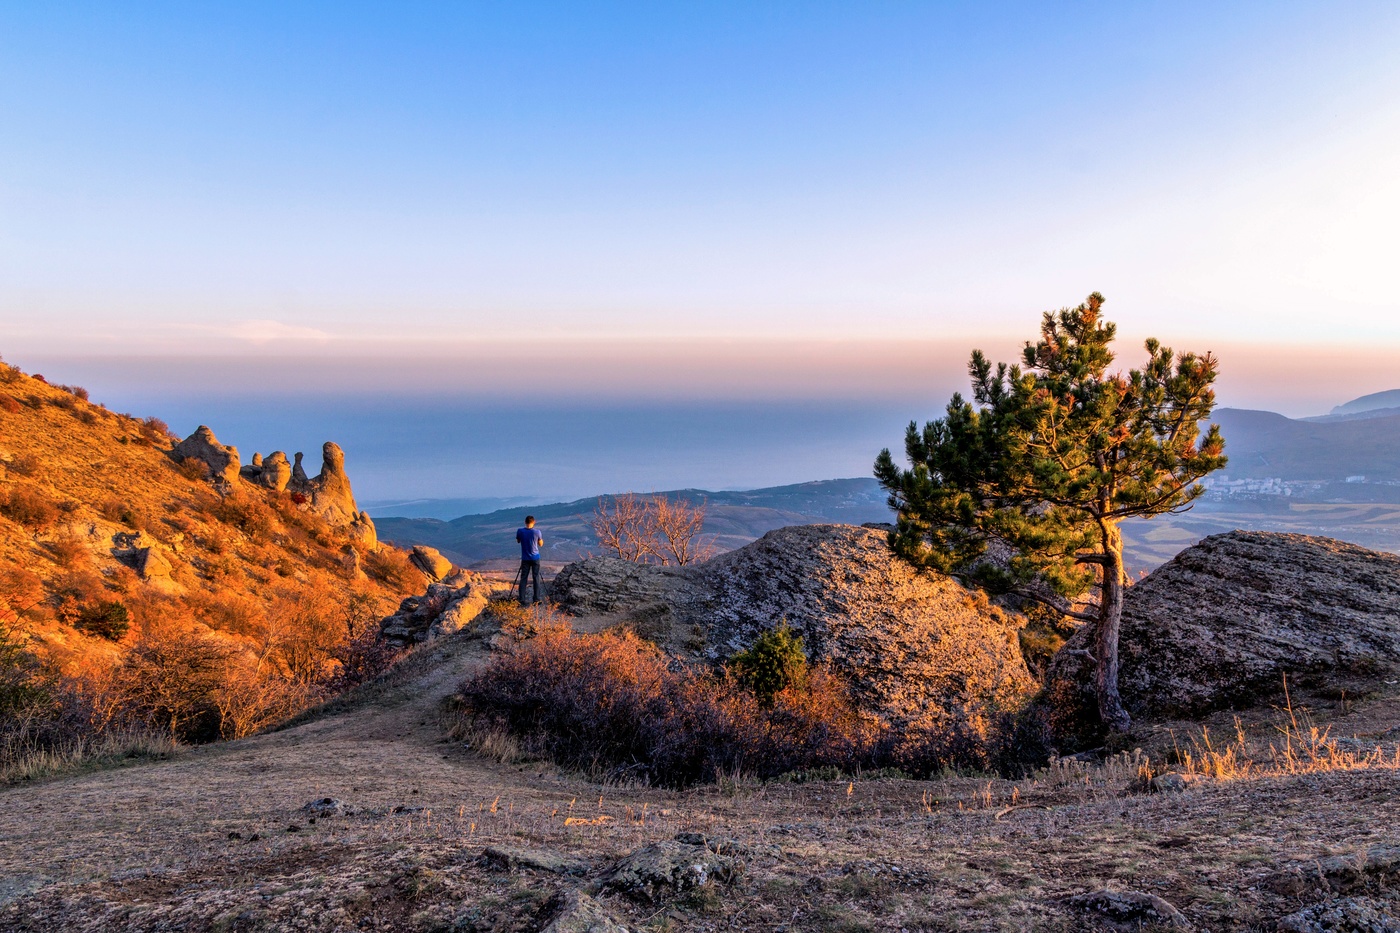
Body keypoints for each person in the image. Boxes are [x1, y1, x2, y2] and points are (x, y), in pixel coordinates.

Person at [515, 515, 543, 606]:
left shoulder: (520, 531)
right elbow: (540, 544)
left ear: (525, 522)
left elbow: (518, 541)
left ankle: (522, 600)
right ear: (534, 522)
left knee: (523, 579)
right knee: (536, 578)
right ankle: (536, 600)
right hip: (535, 558)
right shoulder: (537, 532)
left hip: (525, 558)